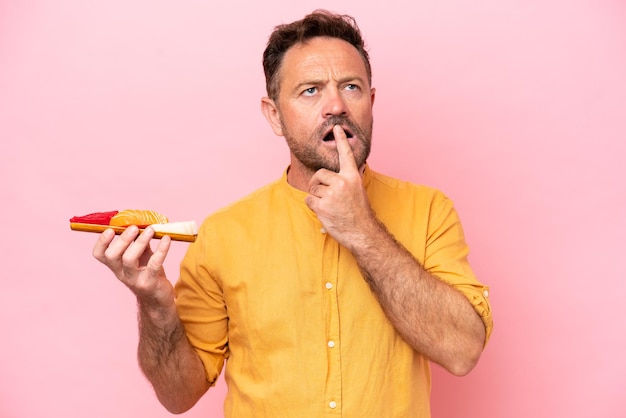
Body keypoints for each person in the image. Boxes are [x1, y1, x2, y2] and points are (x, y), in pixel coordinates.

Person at [93, 10, 493, 417]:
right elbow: (178, 395)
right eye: (310, 91)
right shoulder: (224, 235)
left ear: (371, 103)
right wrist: (156, 305)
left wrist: (362, 230)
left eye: (351, 87)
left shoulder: (428, 211)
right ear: (274, 116)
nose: (335, 105)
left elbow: (462, 351)